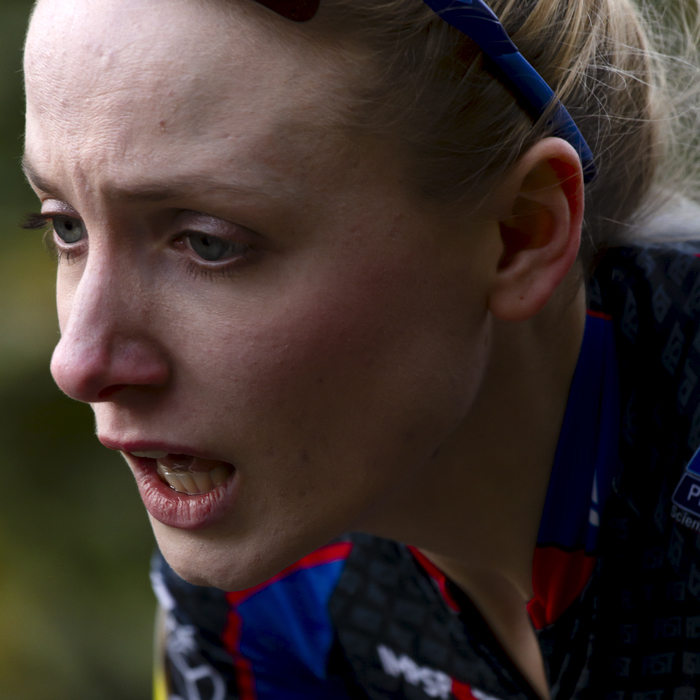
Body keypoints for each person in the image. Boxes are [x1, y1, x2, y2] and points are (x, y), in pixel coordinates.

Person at [20, 0, 700, 697]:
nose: (79, 364)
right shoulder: (257, 582)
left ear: (520, 236)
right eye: (66, 227)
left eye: (208, 241)